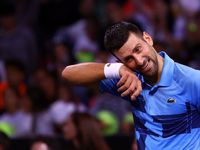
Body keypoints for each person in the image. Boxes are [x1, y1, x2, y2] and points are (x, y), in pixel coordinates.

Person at [62, 21, 200, 149]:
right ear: (120, 61)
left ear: (148, 38)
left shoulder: (192, 80)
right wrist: (117, 69)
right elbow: (68, 74)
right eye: (129, 59)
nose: (139, 61)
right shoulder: (129, 79)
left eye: (138, 49)